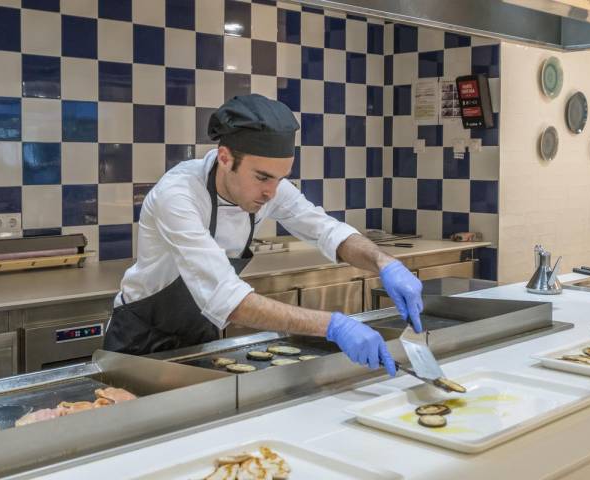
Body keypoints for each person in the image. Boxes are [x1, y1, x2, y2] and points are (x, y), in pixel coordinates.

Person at [104, 94, 423, 376]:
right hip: (139, 342)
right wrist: (333, 326)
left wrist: (385, 263)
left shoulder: (270, 188)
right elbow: (228, 300)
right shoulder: (178, 195)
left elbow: (327, 230)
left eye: (280, 178)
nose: (271, 192)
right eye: (262, 178)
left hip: (199, 338)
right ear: (225, 157)